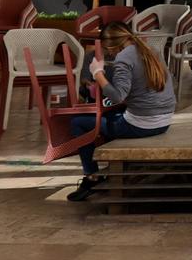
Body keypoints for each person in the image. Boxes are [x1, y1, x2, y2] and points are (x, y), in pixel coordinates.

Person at [66, 22, 176, 201]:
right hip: (164, 121)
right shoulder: (149, 51)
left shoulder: (123, 58)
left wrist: (98, 74)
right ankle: (116, 170)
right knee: (109, 118)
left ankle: (91, 177)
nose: (108, 53)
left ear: (112, 45)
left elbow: (117, 96)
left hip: (141, 125)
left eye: (107, 49)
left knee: (78, 122)